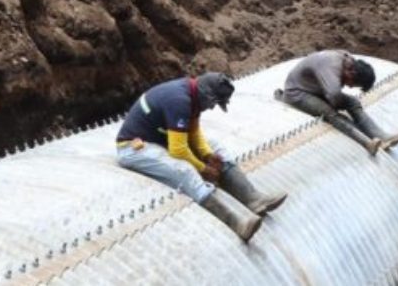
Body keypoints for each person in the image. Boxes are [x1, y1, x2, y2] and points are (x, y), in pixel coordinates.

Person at [116, 72, 287, 241]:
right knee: (185, 171)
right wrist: (203, 168)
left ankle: (252, 198)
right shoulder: (179, 101)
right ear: (206, 95)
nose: (212, 107)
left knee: (217, 148)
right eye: (213, 103)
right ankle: (236, 223)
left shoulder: (192, 96)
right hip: (134, 148)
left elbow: (194, 134)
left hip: (161, 141)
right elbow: (178, 150)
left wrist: (208, 155)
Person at [277, 51, 398, 155]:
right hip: (298, 93)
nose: (349, 86)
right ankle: (367, 143)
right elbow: (334, 98)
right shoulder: (331, 69)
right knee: (330, 113)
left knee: (353, 102)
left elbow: (336, 96)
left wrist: (347, 103)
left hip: (315, 88)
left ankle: (381, 136)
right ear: (351, 73)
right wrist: (337, 106)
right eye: (351, 83)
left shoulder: (348, 61)